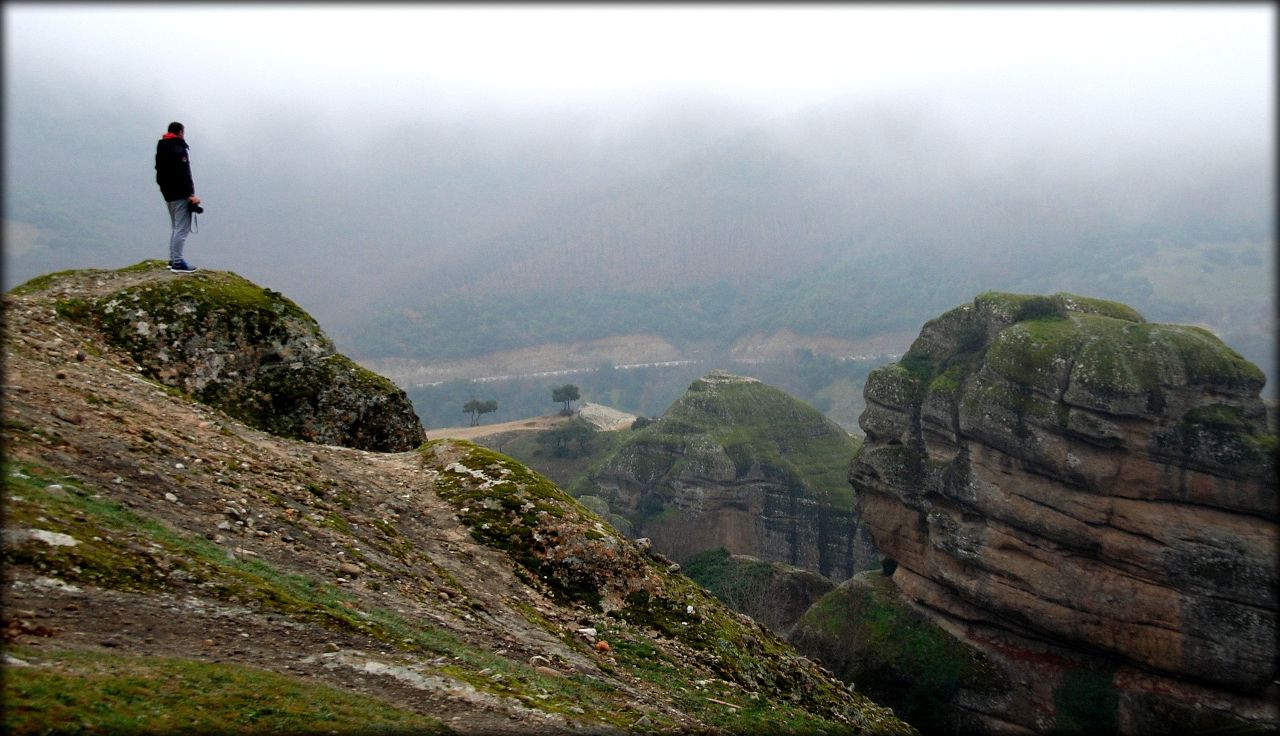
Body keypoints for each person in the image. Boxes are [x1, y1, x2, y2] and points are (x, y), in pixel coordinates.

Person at [155, 122, 202, 273]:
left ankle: (173, 259)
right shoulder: (178, 148)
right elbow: (183, 174)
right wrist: (190, 195)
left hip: (168, 193)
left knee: (176, 227)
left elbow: (160, 172)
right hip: (180, 194)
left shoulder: (162, 147)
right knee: (181, 229)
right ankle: (177, 262)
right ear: (181, 132)